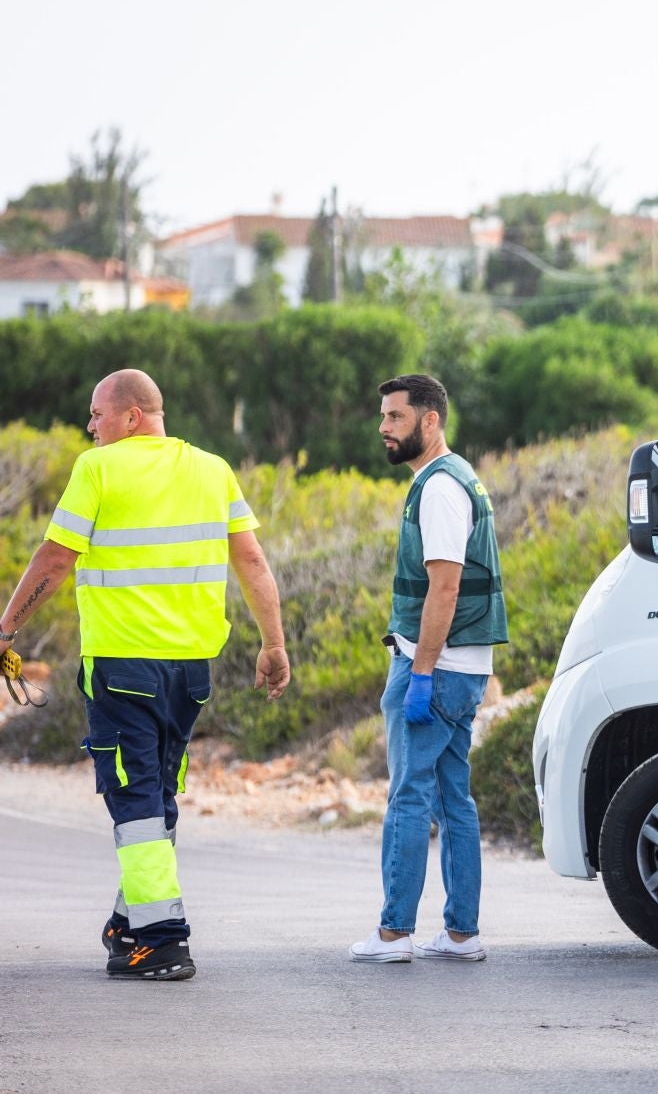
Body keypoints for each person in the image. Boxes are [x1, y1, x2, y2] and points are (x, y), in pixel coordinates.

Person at [0, 369, 291, 981]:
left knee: (134, 797)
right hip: (190, 671)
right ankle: (129, 924)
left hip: (124, 663)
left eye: (97, 414)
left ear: (132, 416)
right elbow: (253, 560)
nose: (90, 426)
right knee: (155, 795)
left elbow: (56, 558)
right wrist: (273, 642)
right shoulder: (214, 469)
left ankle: (161, 940)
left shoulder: (98, 469)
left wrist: (5, 631)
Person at [351, 374, 507, 965]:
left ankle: (394, 934)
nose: (384, 428)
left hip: (436, 670)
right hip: (464, 669)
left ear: (430, 420)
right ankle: (461, 934)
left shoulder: (440, 488)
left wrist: (419, 673)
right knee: (452, 798)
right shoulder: (457, 477)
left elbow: (445, 587)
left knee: (409, 799)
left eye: (394, 417)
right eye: (384, 417)